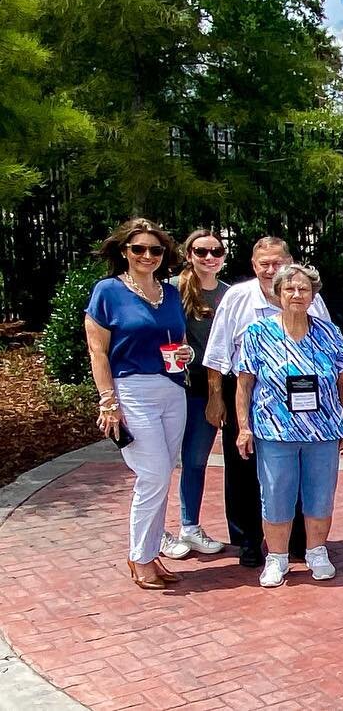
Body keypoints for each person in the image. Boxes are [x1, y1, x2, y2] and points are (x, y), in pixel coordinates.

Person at [203, 237, 328, 567]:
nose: (271, 270)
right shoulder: (237, 297)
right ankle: (248, 539)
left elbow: (330, 346)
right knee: (244, 470)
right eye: (264, 264)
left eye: (277, 263)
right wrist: (217, 399)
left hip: (304, 397)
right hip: (249, 390)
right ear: (253, 265)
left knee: (299, 472)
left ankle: (300, 541)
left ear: (289, 262)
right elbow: (217, 354)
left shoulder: (310, 298)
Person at [234, 265, 343, 587]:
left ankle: (317, 552)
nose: (296, 295)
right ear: (277, 294)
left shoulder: (329, 332)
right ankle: (276, 558)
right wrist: (244, 427)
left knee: (320, 495)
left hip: (324, 430)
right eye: (289, 289)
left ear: (313, 295)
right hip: (275, 432)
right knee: (276, 494)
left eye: (304, 289)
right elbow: (244, 384)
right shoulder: (257, 333)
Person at [85, 219, 189, 590]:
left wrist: (184, 352)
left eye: (155, 250)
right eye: (139, 249)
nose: (147, 256)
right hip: (131, 390)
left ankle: (150, 551)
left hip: (172, 389)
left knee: (163, 474)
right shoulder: (107, 291)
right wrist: (108, 402)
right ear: (124, 252)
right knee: (154, 473)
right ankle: (139, 556)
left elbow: (174, 341)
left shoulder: (171, 293)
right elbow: (98, 351)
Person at [158, 229, 230, 561]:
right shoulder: (171, 291)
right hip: (173, 388)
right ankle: (156, 531)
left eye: (216, 251)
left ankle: (190, 526)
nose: (209, 258)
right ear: (189, 255)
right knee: (159, 464)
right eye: (201, 252)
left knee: (196, 462)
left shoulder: (230, 295)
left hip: (208, 390)